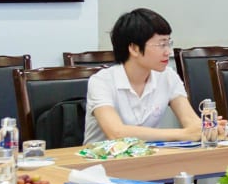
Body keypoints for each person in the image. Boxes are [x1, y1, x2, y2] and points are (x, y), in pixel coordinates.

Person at [85, 8, 200, 145]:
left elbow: (192, 122)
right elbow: (116, 133)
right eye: (161, 45)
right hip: (102, 157)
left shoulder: (168, 76)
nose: (168, 52)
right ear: (134, 48)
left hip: (148, 155)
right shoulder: (101, 81)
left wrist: (208, 129)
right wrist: (183, 134)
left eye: (168, 43)